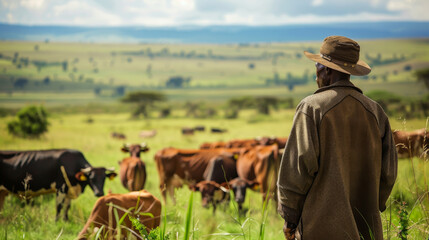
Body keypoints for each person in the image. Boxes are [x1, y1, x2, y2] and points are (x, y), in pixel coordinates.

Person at [277, 36, 398, 240]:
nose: (316, 71)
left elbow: (296, 171)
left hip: (319, 228)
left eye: (318, 65)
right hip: (367, 229)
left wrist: (290, 219)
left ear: (327, 69)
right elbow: (388, 174)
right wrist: (370, 203)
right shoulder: (375, 111)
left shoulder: (311, 107)